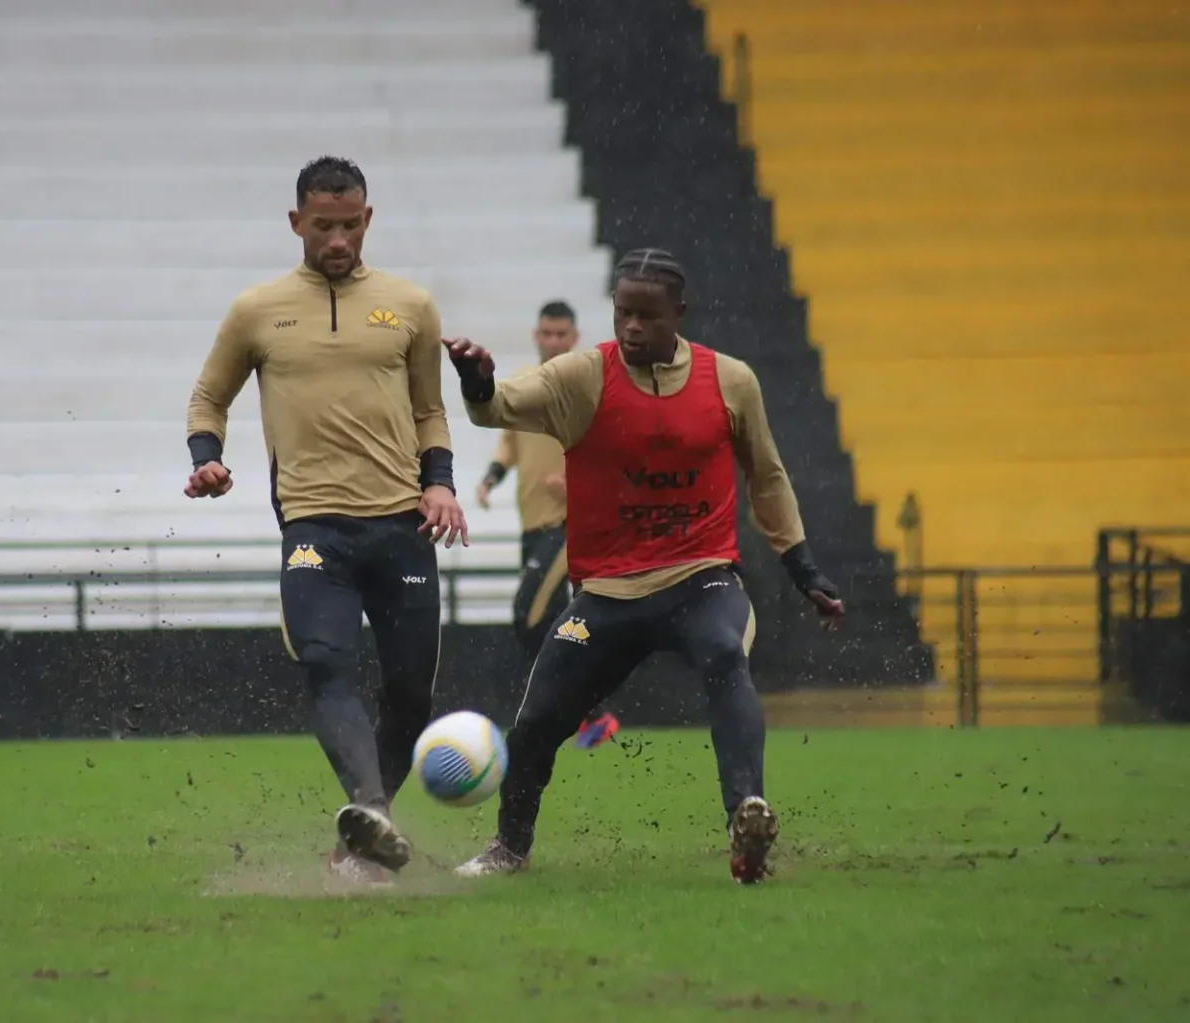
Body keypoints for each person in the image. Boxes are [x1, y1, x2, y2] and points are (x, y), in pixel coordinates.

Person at [443, 247, 845, 884]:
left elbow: (766, 477)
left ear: (678, 315)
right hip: (606, 592)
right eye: (622, 312)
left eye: (646, 316)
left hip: (702, 577)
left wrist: (804, 570)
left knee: (724, 654)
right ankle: (509, 848)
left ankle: (746, 815)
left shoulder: (731, 381)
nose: (630, 326)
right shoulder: (583, 376)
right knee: (540, 717)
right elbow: (495, 409)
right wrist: (477, 378)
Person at [184, 156, 468, 884]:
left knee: (410, 690)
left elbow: (431, 410)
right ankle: (370, 804)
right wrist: (207, 456)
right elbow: (208, 397)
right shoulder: (258, 310)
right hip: (314, 526)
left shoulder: (410, 304)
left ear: (368, 219)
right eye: (323, 226)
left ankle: (363, 833)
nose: (338, 239)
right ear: (296, 223)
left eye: (350, 224)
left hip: (402, 523)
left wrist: (441, 485)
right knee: (326, 666)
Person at [475, 301, 619, 749]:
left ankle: (583, 709)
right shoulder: (521, 385)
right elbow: (510, 447)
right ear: (536, 335)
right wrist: (490, 479)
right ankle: (585, 712)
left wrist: (578, 485)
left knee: (529, 616)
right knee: (560, 623)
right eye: (547, 334)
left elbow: (613, 454)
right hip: (531, 526)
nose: (554, 341)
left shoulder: (586, 391)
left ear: (574, 339)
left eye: (562, 335)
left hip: (569, 525)